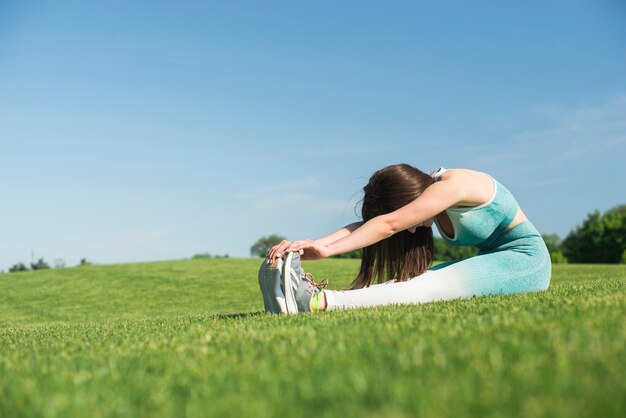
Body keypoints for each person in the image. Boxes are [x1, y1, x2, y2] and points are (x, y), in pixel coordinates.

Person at [259, 164, 551, 314]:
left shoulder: (454, 185)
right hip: (493, 258)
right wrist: (315, 244)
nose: (411, 230)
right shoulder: (421, 190)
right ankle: (297, 297)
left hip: (526, 261)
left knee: (429, 286)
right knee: (407, 285)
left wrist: (327, 251)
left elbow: (391, 224)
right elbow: (375, 224)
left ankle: (314, 302)